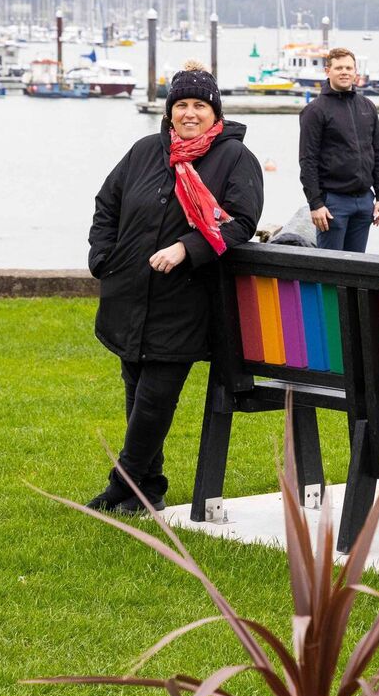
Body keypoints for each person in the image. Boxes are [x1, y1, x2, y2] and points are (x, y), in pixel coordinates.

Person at [85, 60, 264, 513]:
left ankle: (120, 484)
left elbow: (241, 222)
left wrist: (187, 248)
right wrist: (103, 258)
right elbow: (107, 203)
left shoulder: (235, 159)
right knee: (136, 385)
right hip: (129, 292)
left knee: (156, 396)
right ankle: (150, 488)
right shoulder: (146, 150)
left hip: (186, 299)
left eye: (199, 105)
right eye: (181, 104)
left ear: (214, 111)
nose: (189, 113)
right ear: (169, 112)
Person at [298, 47, 379, 253]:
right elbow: (307, 160)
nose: (344, 72)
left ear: (355, 72)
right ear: (327, 71)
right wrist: (316, 203)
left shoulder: (368, 107)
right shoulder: (314, 111)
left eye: (349, 67)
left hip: (365, 201)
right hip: (333, 204)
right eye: (339, 68)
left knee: (355, 271)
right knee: (330, 271)